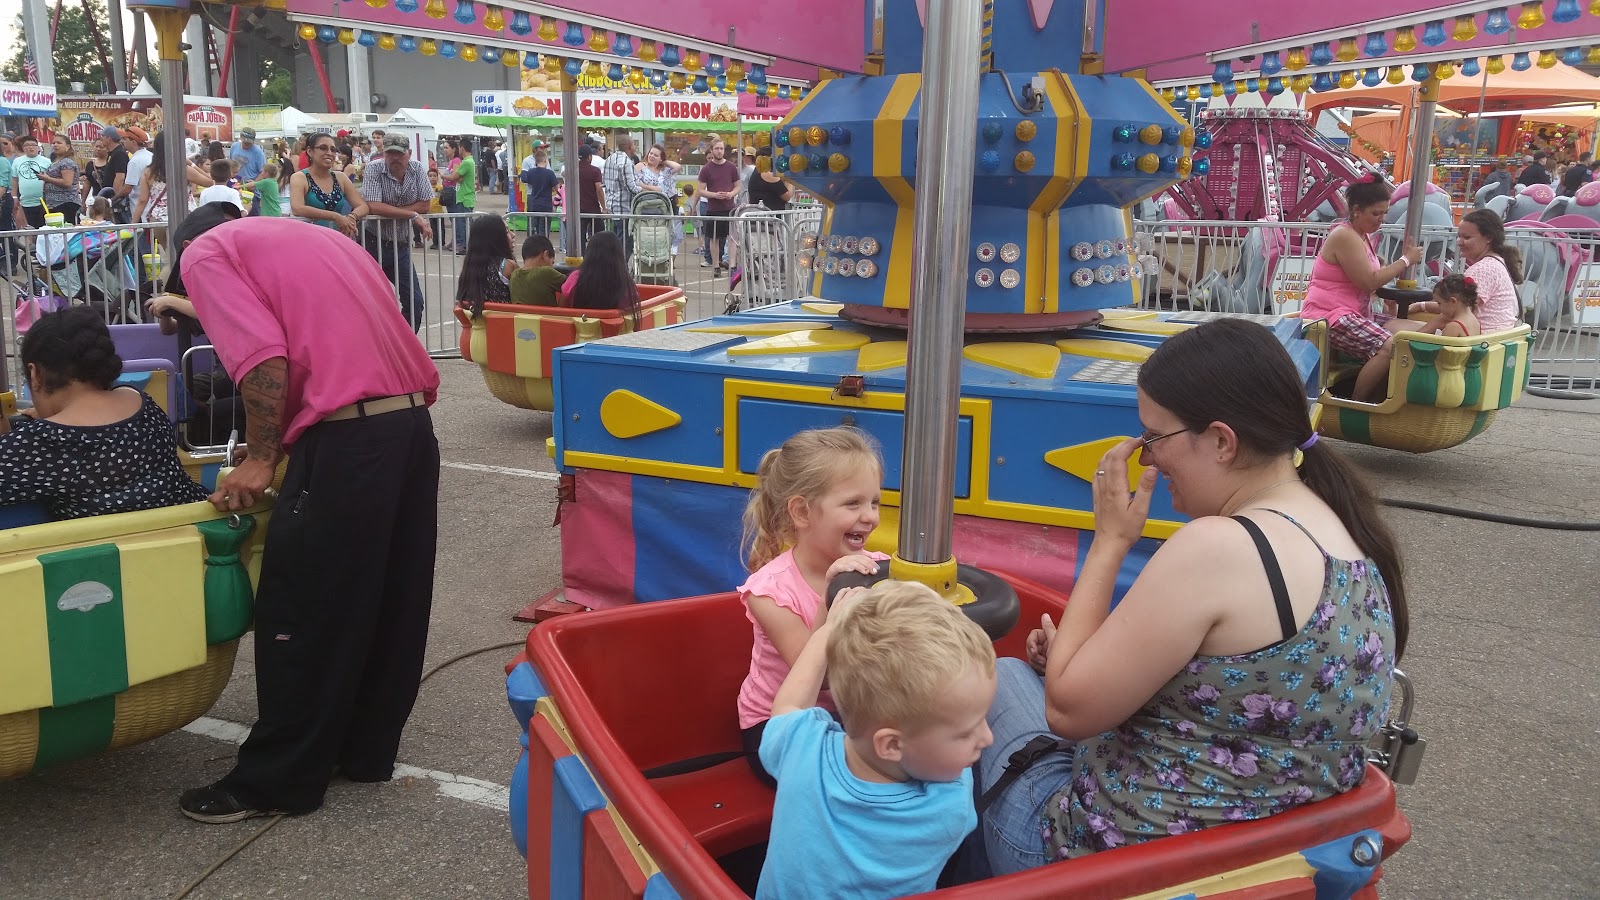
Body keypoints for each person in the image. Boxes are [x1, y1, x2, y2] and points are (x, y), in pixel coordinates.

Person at [972, 318, 1405, 876]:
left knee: (1001, 676)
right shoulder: (1348, 534)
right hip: (1273, 862)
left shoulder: (1219, 548)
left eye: (1154, 438)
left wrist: (1110, 541)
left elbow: (1068, 710)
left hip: (1114, 864)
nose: (1147, 459)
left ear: (1222, 441)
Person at [167, 208, 442, 824]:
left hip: (346, 439)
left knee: (303, 604)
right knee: (388, 599)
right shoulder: (316, 239)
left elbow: (265, 359)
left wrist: (261, 457)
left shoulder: (204, 252)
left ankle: (277, 780)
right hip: (408, 428)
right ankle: (363, 750)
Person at [757, 580, 996, 900]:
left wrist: (828, 632)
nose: (988, 737)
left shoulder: (800, 750)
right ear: (891, 745)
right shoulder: (949, 808)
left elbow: (788, 705)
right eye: (966, 733)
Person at [736, 426, 889, 786]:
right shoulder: (770, 592)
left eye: (874, 502)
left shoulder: (879, 569)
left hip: (853, 715)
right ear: (802, 512)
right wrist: (829, 600)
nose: (870, 516)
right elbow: (817, 679)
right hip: (778, 728)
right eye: (853, 503)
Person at [0, 306, 208, 520]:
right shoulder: (144, 405)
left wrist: (6, 431)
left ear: (35, 374)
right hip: (195, 525)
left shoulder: (37, 443)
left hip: (108, 543)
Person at [1298, 176, 1423, 402]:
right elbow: (1369, 281)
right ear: (1356, 210)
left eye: (1384, 213)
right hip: (1330, 315)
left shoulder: (1362, 236)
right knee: (1390, 346)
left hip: (1355, 312)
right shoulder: (1344, 236)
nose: (1381, 219)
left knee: (1418, 332)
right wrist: (1405, 260)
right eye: (1376, 213)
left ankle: (1391, 397)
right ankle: (1358, 403)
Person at [359, 133, 434, 331]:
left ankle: (405, 345)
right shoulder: (374, 168)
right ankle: (375, 344)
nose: (394, 158)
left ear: (409, 153)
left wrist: (392, 211)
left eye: (399, 154)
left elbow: (425, 205)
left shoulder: (417, 168)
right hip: (372, 243)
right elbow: (373, 206)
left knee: (415, 302)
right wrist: (411, 214)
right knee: (369, 302)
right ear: (383, 153)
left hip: (400, 245)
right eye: (389, 153)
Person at [1408, 208, 1524, 334]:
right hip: (1495, 336)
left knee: (1397, 327)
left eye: (1466, 237)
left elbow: (1454, 311)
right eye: (1458, 236)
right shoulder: (1497, 262)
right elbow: (1453, 305)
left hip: (1481, 338)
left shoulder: (1483, 269)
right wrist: (1421, 306)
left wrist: (1410, 338)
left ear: (1488, 238)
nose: (1459, 242)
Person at [134, 130, 213, 234]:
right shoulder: (183, 169)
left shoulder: (148, 172)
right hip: (184, 218)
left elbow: (142, 201)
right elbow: (209, 181)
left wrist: (132, 225)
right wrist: (191, 164)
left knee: (164, 245)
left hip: (158, 220)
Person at [291, 133, 367, 235]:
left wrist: (352, 217)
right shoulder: (300, 178)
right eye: (323, 148)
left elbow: (363, 206)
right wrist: (335, 216)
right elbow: (297, 208)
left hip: (339, 237)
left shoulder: (340, 177)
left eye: (333, 149)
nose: (329, 153)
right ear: (310, 151)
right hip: (312, 238)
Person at [561, 230, 640, 317]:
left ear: (589, 253)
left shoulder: (575, 277)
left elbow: (562, 308)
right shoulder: (626, 283)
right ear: (619, 255)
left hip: (579, 324)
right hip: (617, 325)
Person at [455, 214, 516, 317]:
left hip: (475, 325)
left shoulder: (469, 267)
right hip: (504, 323)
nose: (513, 235)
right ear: (495, 239)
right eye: (506, 232)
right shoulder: (507, 266)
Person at [697, 139, 739, 277]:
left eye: (721, 148)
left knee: (732, 237)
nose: (719, 151)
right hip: (713, 208)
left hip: (729, 208)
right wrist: (714, 195)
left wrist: (731, 194)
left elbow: (737, 186)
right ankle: (716, 265)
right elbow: (700, 190)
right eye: (717, 148)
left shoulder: (731, 167)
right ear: (711, 150)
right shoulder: (706, 169)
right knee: (713, 238)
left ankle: (732, 265)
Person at [635, 142, 684, 255]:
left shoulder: (665, 171)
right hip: (646, 205)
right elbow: (636, 183)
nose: (652, 156)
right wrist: (652, 188)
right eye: (651, 153)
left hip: (666, 204)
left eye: (656, 155)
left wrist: (663, 161)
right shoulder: (641, 166)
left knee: (671, 235)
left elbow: (677, 167)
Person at [604, 131, 643, 244]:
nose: (635, 147)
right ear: (630, 146)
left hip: (612, 208)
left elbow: (605, 182)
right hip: (624, 210)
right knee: (625, 245)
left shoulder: (609, 159)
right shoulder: (626, 162)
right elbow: (632, 187)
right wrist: (647, 191)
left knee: (614, 243)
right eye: (634, 144)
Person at [1414, 273, 1481, 338]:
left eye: (1439, 303)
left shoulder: (1453, 326)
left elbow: (1441, 346)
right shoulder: (1475, 322)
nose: (1439, 307)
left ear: (1453, 301)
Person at [440, 139, 476, 254]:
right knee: (463, 222)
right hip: (465, 196)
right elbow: (459, 178)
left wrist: (442, 176)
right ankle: (464, 245)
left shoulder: (466, 162)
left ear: (462, 148)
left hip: (464, 197)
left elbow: (454, 177)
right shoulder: (469, 161)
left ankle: (464, 246)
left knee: (463, 223)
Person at [509, 233, 564, 308]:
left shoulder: (514, 275)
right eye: (552, 262)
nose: (552, 266)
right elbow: (571, 286)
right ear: (546, 254)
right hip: (546, 315)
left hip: (520, 315)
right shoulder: (546, 272)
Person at [40, 135, 82, 224]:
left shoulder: (67, 162)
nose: (55, 145)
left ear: (67, 146)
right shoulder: (55, 161)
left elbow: (67, 182)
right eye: (53, 143)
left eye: (59, 143)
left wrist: (48, 179)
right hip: (53, 203)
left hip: (65, 203)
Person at [11, 135, 50, 228]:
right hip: (26, 201)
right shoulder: (17, 161)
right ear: (23, 148)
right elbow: (14, 180)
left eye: (33, 145)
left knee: (45, 226)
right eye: (27, 145)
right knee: (31, 227)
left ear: (38, 147)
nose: (30, 147)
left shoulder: (47, 161)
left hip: (44, 200)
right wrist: (14, 197)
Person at [519, 148, 559, 237]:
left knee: (535, 228)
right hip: (546, 204)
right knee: (544, 230)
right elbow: (557, 189)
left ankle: (536, 243)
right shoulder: (549, 173)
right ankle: (544, 244)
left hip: (534, 203)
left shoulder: (531, 172)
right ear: (545, 160)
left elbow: (528, 182)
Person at [576, 144, 606, 249]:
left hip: (578, 209)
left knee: (580, 237)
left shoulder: (574, 170)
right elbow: (599, 189)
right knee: (599, 237)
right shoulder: (595, 171)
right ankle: (596, 255)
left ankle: (581, 256)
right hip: (593, 208)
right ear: (589, 156)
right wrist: (604, 207)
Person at [120, 126, 151, 223]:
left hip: (140, 212)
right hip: (152, 210)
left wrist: (112, 199)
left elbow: (127, 189)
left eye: (125, 139)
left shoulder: (135, 161)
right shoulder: (150, 156)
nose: (122, 141)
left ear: (133, 142)